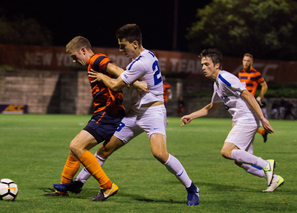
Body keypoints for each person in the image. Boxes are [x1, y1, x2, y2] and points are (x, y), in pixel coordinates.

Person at [54, 24, 200, 206]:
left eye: (123, 45)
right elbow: (128, 79)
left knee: (160, 154)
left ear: (135, 43)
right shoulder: (143, 57)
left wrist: (101, 77)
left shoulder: (140, 63)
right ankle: (78, 183)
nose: (120, 49)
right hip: (134, 114)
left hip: (152, 113)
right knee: (104, 149)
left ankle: (192, 188)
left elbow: (115, 85)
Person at [43, 36, 147, 201]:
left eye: (74, 57)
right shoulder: (93, 63)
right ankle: (63, 189)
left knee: (76, 146)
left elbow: (117, 69)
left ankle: (107, 186)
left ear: (83, 50)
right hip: (103, 113)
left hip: (108, 114)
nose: (74, 61)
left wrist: (135, 83)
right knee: (75, 148)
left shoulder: (96, 59)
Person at [181, 48, 284, 192]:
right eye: (202, 65)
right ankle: (275, 179)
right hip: (243, 120)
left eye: (207, 64)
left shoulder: (224, 78)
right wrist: (191, 116)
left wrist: (263, 118)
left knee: (226, 151)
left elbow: (248, 95)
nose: (203, 68)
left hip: (246, 119)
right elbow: (212, 107)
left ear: (217, 65)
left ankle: (266, 164)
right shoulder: (216, 83)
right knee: (240, 161)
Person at [238, 53, 269, 142]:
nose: (246, 63)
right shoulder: (241, 73)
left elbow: (264, 86)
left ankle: (242, 144)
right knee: (239, 124)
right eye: (244, 60)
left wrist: (259, 97)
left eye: (248, 61)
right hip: (241, 101)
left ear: (252, 62)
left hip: (249, 102)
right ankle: (262, 132)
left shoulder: (255, 73)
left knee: (237, 124)